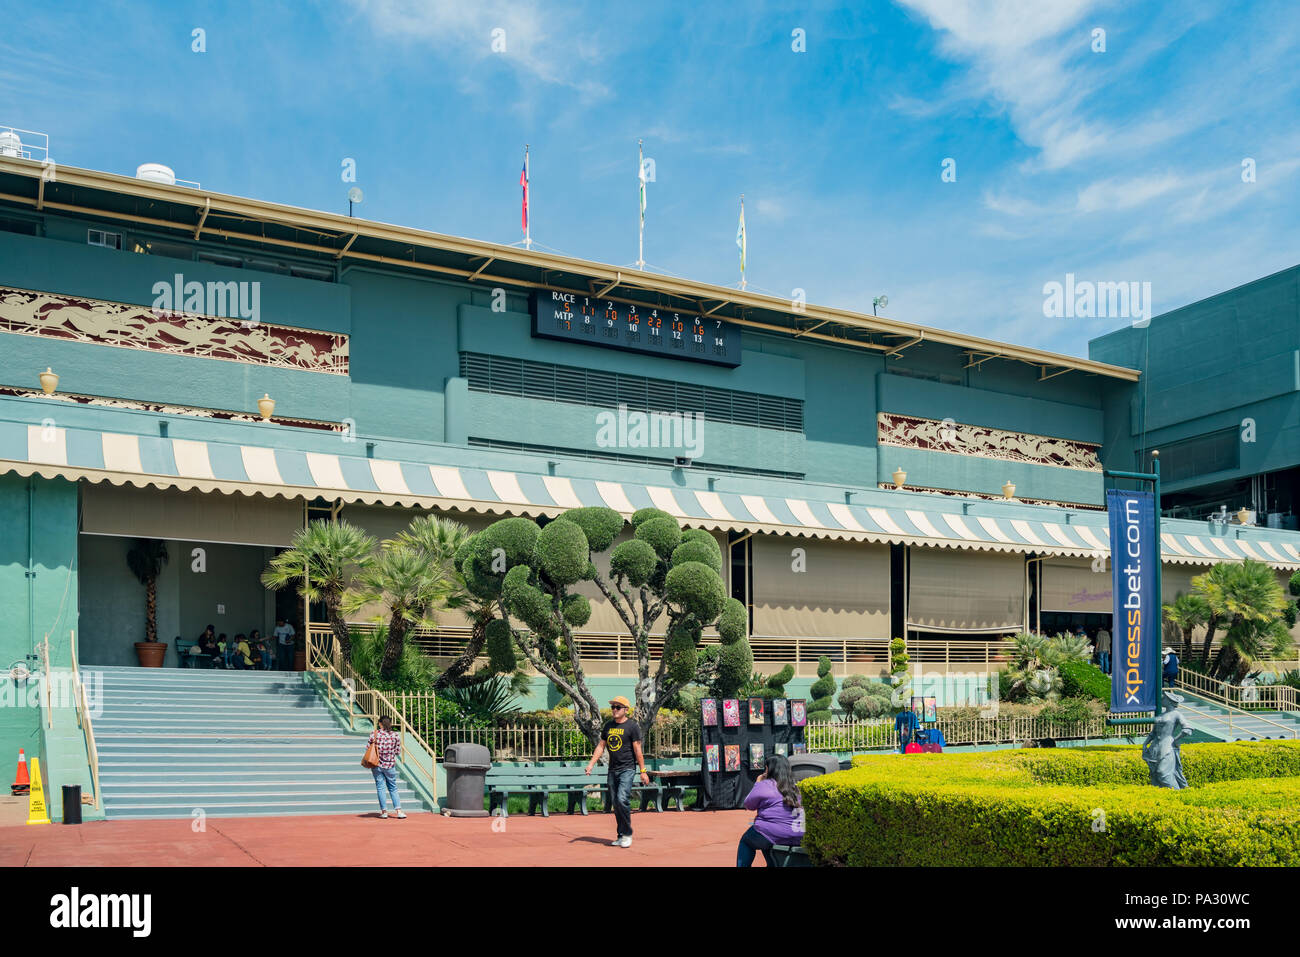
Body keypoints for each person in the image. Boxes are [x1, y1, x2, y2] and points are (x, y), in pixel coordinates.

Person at [584, 696, 648, 848]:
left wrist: (643, 771)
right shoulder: (608, 726)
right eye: (613, 707)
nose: (614, 710)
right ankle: (620, 835)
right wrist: (591, 764)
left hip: (627, 769)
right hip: (612, 770)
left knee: (621, 799)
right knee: (616, 804)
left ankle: (627, 834)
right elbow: (600, 747)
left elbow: (638, 749)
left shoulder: (632, 726)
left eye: (618, 707)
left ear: (626, 710)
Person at [737, 753, 804, 867]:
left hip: (772, 834)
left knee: (747, 841)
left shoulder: (765, 785)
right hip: (798, 835)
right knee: (766, 835)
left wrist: (758, 782)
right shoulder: (796, 786)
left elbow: (748, 805)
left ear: (768, 769)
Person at [367, 715, 406, 819]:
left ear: (380, 723)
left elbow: (368, 748)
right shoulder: (395, 736)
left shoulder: (374, 734)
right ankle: (399, 811)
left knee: (380, 787)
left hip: (376, 765)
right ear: (390, 723)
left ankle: (384, 812)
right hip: (390, 765)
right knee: (393, 787)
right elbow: (397, 752)